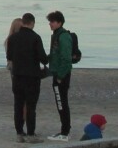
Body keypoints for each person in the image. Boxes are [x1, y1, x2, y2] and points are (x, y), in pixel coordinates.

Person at [6, 12, 49, 142]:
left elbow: (9, 57)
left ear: (23, 22)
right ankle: (30, 134)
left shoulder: (13, 38)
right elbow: (43, 59)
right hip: (32, 77)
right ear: (32, 23)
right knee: (31, 106)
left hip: (17, 76)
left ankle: (19, 133)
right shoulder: (35, 38)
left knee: (18, 105)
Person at [46, 11, 75, 140]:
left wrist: (60, 76)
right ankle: (64, 130)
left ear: (59, 22)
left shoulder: (63, 36)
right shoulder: (56, 35)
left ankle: (65, 132)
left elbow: (66, 59)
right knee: (61, 103)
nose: (50, 24)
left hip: (61, 75)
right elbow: (55, 55)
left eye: (52, 21)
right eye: (50, 21)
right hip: (56, 73)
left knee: (61, 103)